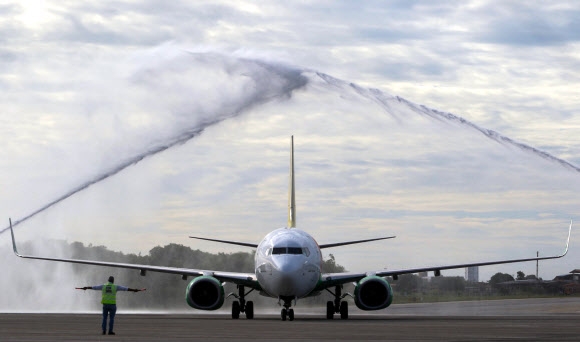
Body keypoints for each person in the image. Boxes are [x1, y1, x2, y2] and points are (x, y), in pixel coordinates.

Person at [79, 276, 145, 335]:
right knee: (112, 318)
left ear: (108, 280)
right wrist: (135, 290)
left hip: (105, 304)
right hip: (112, 305)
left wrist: (86, 287)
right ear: (113, 281)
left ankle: (104, 331)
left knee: (104, 318)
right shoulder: (115, 286)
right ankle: (110, 331)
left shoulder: (103, 286)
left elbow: (94, 287)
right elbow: (126, 289)